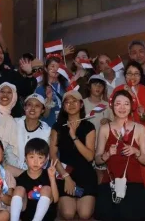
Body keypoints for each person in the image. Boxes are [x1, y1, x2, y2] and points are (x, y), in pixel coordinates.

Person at [94, 90, 145, 221]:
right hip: (111, 181)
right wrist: (107, 154)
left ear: (131, 106)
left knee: (131, 215)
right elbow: (97, 160)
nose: (122, 108)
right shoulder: (105, 128)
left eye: (126, 104)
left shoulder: (140, 128)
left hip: (133, 181)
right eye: (118, 104)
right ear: (112, 106)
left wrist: (136, 151)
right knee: (109, 214)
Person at [50, 90, 97, 220]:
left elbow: (90, 157)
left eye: (74, 101)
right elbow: (53, 155)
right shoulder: (57, 127)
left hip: (85, 174)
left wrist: (73, 136)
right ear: (63, 107)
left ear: (81, 104)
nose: (71, 104)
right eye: (67, 102)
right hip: (65, 172)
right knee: (68, 214)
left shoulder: (89, 126)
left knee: (85, 214)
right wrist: (66, 176)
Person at [9, 138, 59, 221]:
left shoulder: (48, 174)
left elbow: (56, 199)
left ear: (46, 159)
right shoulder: (22, 177)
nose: (35, 162)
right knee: (19, 189)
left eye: (40, 157)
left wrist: (52, 178)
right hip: (27, 215)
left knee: (46, 189)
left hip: (46, 217)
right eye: (31, 157)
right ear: (25, 158)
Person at [12, 94, 52, 176]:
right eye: (29, 105)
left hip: (35, 174)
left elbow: (45, 158)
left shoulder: (47, 130)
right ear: (24, 107)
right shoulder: (13, 123)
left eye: (37, 106)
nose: (33, 108)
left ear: (42, 110)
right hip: (12, 171)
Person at [35, 55, 69, 127]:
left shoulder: (66, 85)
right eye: (52, 66)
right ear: (46, 69)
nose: (55, 69)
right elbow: (44, 115)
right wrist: (49, 99)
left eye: (58, 67)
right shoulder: (40, 89)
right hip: (49, 126)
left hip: (65, 125)